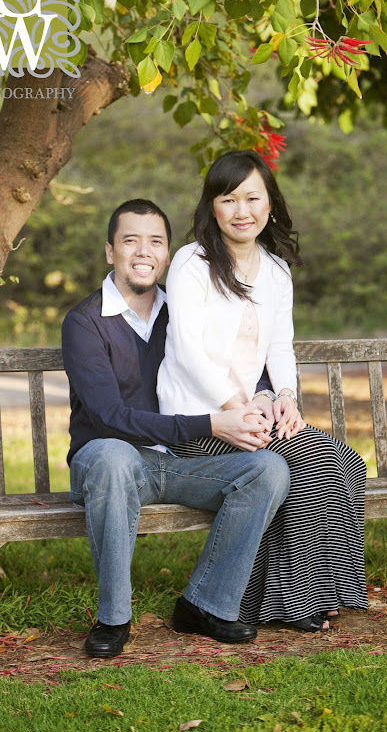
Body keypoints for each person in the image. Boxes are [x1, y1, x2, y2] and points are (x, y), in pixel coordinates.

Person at [61, 199, 291, 658]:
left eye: (155, 242)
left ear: (168, 255)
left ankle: (205, 604)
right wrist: (210, 423)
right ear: (110, 251)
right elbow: (108, 416)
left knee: (266, 469)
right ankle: (114, 617)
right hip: (105, 463)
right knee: (112, 454)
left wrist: (269, 394)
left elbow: (238, 365)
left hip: (175, 463)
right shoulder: (84, 322)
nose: (143, 252)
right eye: (130, 241)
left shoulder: (181, 315)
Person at [157, 150, 368, 631]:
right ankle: (286, 603)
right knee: (302, 466)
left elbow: (279, 346)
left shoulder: (276, 271)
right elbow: (188, 350)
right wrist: (238, 408)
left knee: (342, 461)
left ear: (270, 204)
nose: (241, 210)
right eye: (228, 199)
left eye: (252, 198)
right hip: (199, 419)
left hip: (254, 411)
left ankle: (318, 591)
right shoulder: (193, 262)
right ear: (212, 206)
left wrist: (286, 398)